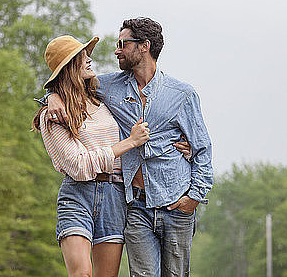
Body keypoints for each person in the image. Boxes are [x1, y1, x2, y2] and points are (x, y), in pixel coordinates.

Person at [47, 18, 213, 277]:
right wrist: (52, 97)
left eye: (122, 44)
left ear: (144, 46)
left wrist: (193, 197)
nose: (116, 50)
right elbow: (69, 82)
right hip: (135, 206)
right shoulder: (109, 86)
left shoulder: (182, 94)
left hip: (176, 204)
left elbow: (202, 149)